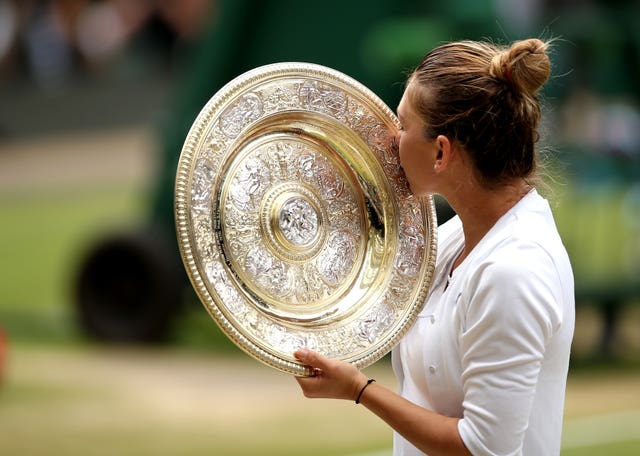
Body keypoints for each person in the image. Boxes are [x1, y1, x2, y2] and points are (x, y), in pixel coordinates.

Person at [294, 37, 575, 456]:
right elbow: (356, 284)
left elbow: (483, 446)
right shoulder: (452, 239)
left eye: (403, 127)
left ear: (441, 152)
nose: (391, 140)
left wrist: (359, 389)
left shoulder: (514, 271)